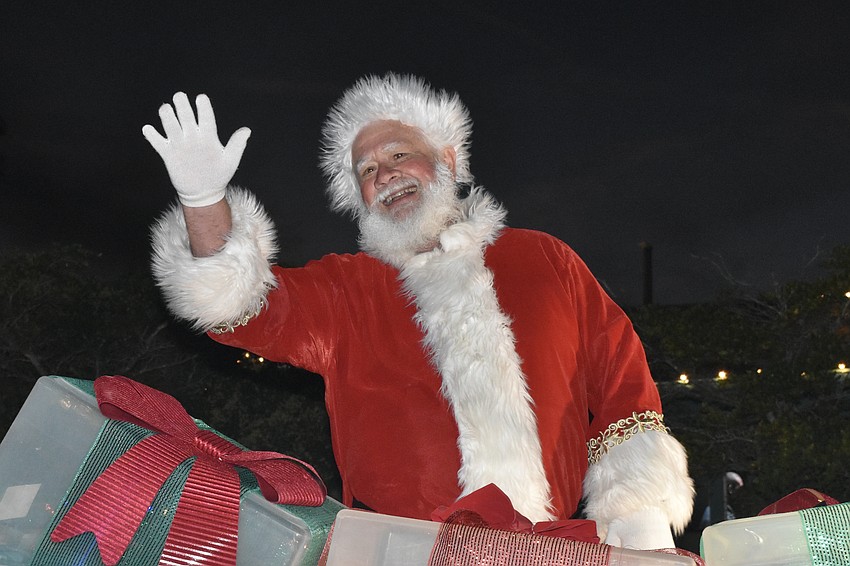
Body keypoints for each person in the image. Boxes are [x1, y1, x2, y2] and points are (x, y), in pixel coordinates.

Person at [143, 74, 694, 550]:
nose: (384, 174)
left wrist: (640, 520)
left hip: (555, 550)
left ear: (448, 158)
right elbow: (244, 307)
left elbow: (622, 382)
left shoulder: (546, 260)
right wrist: (202, 199)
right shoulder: (346, 291)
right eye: (366, 170)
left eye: (399, 154)